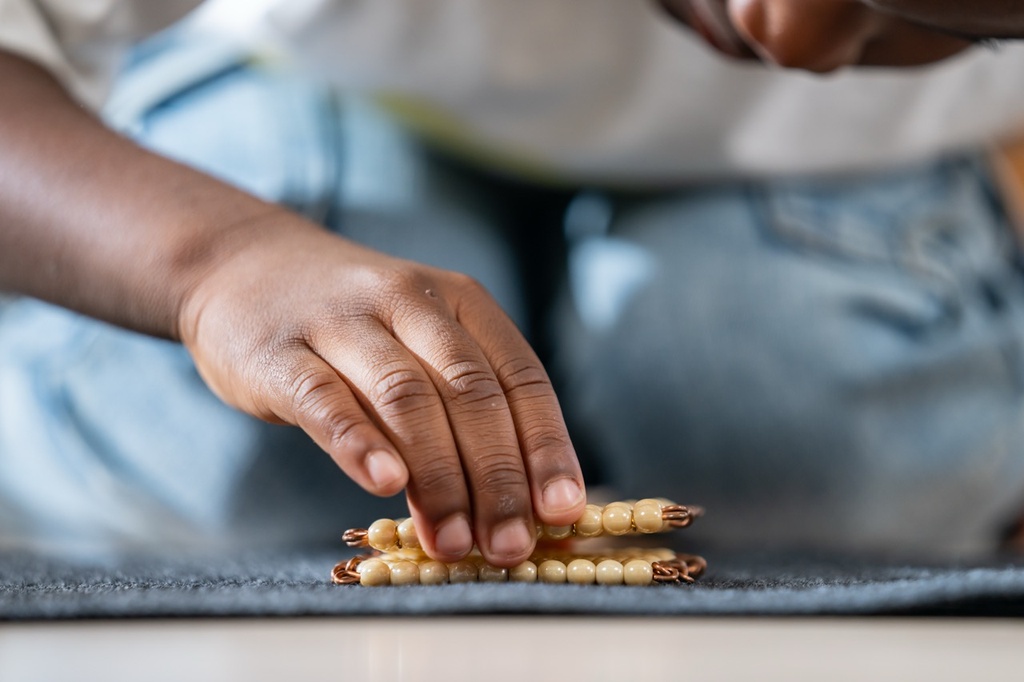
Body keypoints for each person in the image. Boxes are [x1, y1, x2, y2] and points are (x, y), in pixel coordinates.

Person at [2, 0, 1024, 562]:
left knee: (809, 455)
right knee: (263, 455)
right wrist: (211, 260)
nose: (792, 35)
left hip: (814, 158)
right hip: (334, 77)